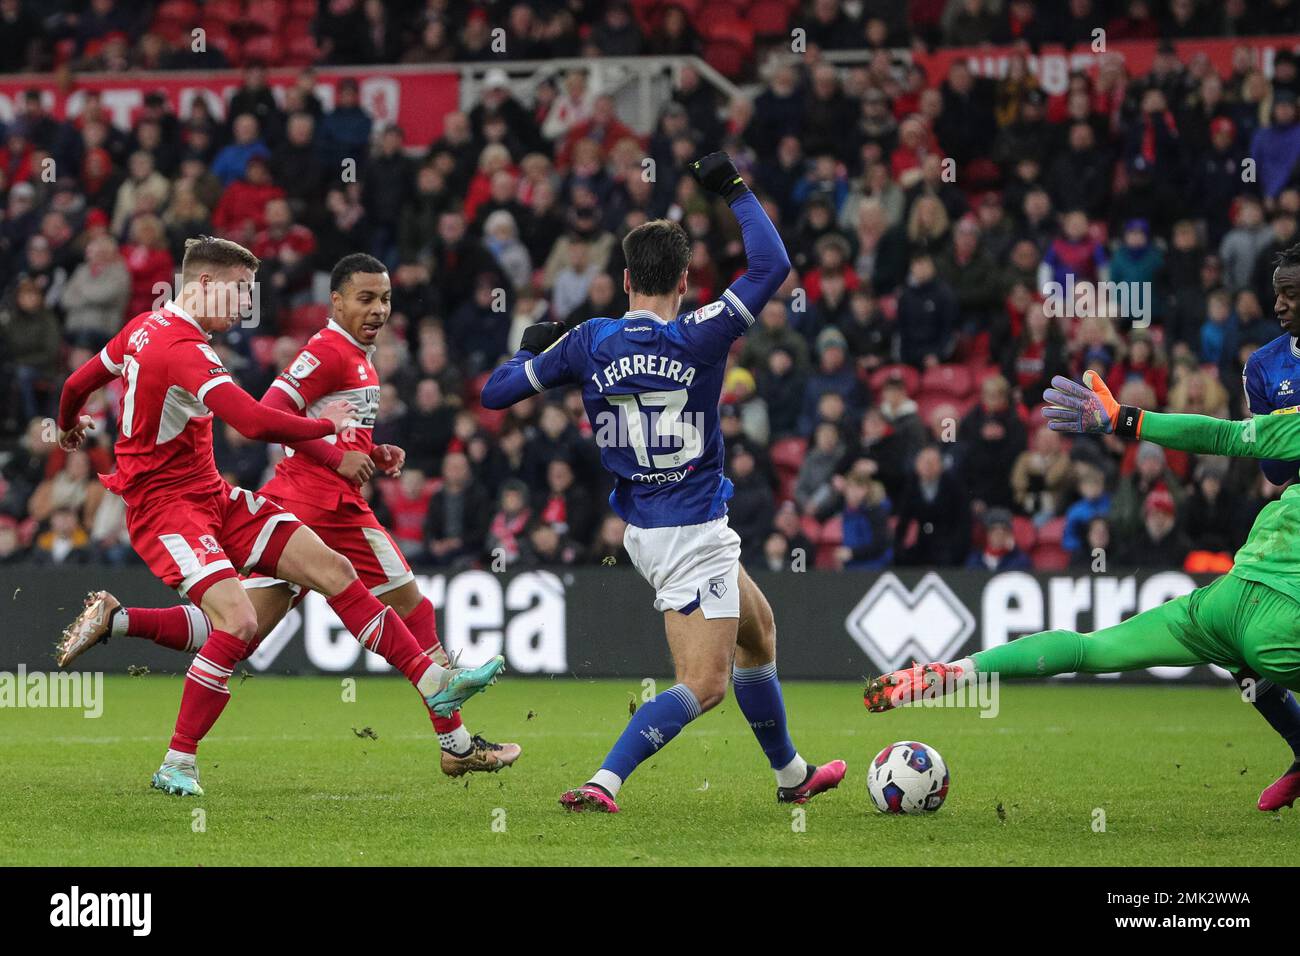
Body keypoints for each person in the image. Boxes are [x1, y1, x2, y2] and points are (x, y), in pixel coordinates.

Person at [53, 238, 504, 797]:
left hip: (214, 496)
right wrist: (328, 430)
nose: (245, 306)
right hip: (166, 510)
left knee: (334, 570)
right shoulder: (183, 347)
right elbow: (252, 421)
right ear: (207, 285)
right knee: (238, 625)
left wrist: (69, 422)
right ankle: (177, 760)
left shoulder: (143, 328)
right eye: (240, 291)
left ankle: (433, 682)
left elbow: (77, 383)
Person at [864, 241, 1300, 812]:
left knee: (1091, 650)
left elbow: (1222, 436)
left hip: (1229, 600)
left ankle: (951, 673)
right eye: (1280, 292)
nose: (1280, 304)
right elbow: (1230, 441)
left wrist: (1123, 418)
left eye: (1290, 293)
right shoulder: (1274, 380)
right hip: (1279, 608)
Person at [482, 153, 845, 812]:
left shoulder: (589, 340)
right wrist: (733, 188)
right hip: (691, 532)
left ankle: (792, 775)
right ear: (684, 279)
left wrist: (529, 350)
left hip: (650, 524)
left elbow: (495, 393)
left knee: (759, 630)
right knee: (704, 684)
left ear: (624, 279)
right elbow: (771, 266)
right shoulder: (702, 334)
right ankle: (604, 781)